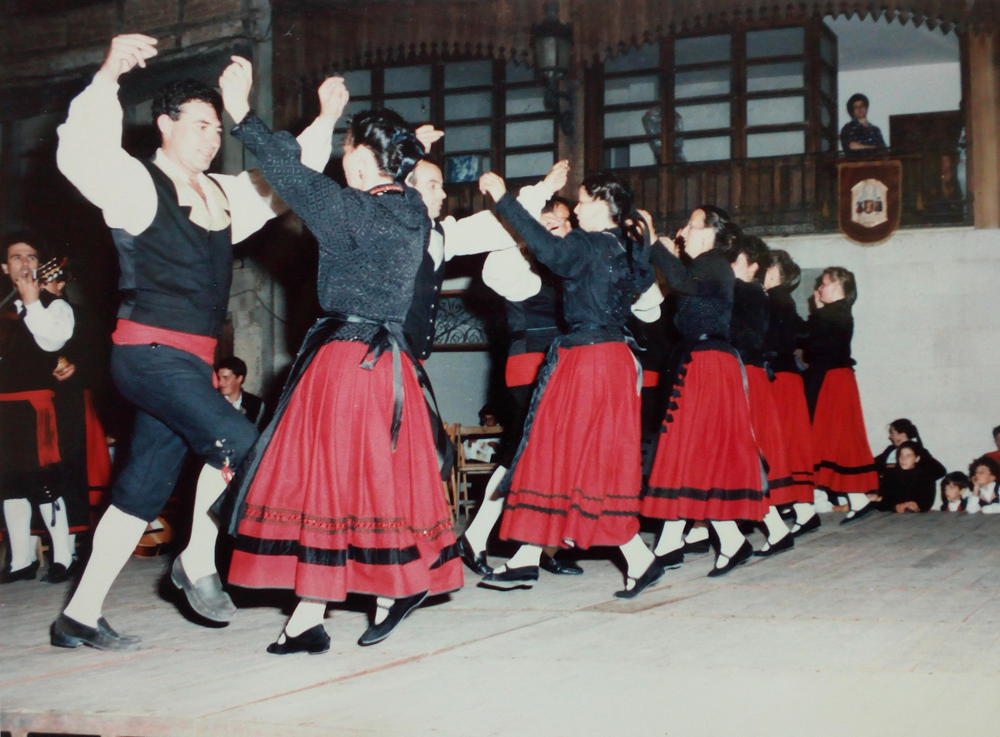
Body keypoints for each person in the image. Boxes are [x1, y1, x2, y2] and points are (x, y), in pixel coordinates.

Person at [51, 34, 333, 651]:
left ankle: (79, 614)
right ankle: (197, 559)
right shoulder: (133, 183)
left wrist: (326, 120)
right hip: (146, 355)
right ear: (164, 126)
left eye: (215, 128)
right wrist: (107, 76)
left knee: (140, 493)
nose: (211, 138)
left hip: (189, 365)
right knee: (242, 444)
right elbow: (79, 151)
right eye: (200, 125)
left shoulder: (225, 194)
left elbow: (285, 177)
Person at [220, 65, 462, 652]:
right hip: (389, 363)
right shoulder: (411, 212)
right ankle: (307, 619)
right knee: (354, 485)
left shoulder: (352, 211)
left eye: (346, 152)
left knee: (324, 483)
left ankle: (392, 589)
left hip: (346, 361)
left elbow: (284, 171)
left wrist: (240, 112)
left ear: (357, 160)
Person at [477, 168, 663, 599]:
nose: (577, 209)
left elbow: (545, 248)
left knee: (556, 450)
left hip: (588, 360)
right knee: (570, 454)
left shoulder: (590, 244)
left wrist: (504, 199)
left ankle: (637, 558)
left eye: (581, 201)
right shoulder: (626, 249)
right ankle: (526, 559)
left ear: (601, 203)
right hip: (611, 357)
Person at [642, 206, 766, 578]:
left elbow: (682, 281)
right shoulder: (708, 265)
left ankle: (720, 541)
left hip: (709, 363)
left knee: (694, 448)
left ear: (710, 232)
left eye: (690, 225)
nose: (682, 231)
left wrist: (652, 242)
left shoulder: (713, 262)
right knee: (691, 451)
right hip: (704, 361)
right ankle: (688, 543)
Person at [0, 233, 76, 585]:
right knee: (10, 486)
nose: (25, 262)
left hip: (35, 406)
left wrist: (33, 303)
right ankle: (20, 562)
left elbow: (53, 342)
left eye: (31, 256)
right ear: (5, 267)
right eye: (17, 257)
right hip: (3, 407)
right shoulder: (2, 309)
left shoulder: (54, 304)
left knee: (43, 481)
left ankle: (62, 559)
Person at [727, 235, 794, 557]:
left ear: (753, 266)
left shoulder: (747, 291)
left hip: (745, 376)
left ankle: (775, 527)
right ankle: (774, 527)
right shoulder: (748, 292)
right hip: (744, 373)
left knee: (742, 453)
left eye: (735, 259)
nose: (729, 265)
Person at [803, 267, 879, 525]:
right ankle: (856, 499)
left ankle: (836, 499)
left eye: (823, 284)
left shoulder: (835, 313)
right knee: (838, 438)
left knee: (832, 437)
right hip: (836, 380)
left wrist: (816, 310)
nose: (819, 289)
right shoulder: (837, 314)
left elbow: (812, 345)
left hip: (834, 381)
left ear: (837, 286)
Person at [762, 249, 818, 536]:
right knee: (788, 443)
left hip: (778, 379)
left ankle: (790, 510)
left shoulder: (774, 299)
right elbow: (804, 333)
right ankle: (804, 511)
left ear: (775, 272)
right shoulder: (783, 300)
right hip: (786, 378)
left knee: (778, 443)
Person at [869, 441, 939, 513]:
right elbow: (883, 500)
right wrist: (894, 507)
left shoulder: (926, 476)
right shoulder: (890, 474)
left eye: (908, 456)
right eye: (901, 455)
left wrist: (918, 506)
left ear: (917, 458)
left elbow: (928, 500)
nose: (903, 459)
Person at [216, 356, 266, 429]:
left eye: (225, 378)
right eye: (219, 378)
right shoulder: (213, 400)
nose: (220, 383)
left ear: (239, 378)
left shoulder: (256, 404)